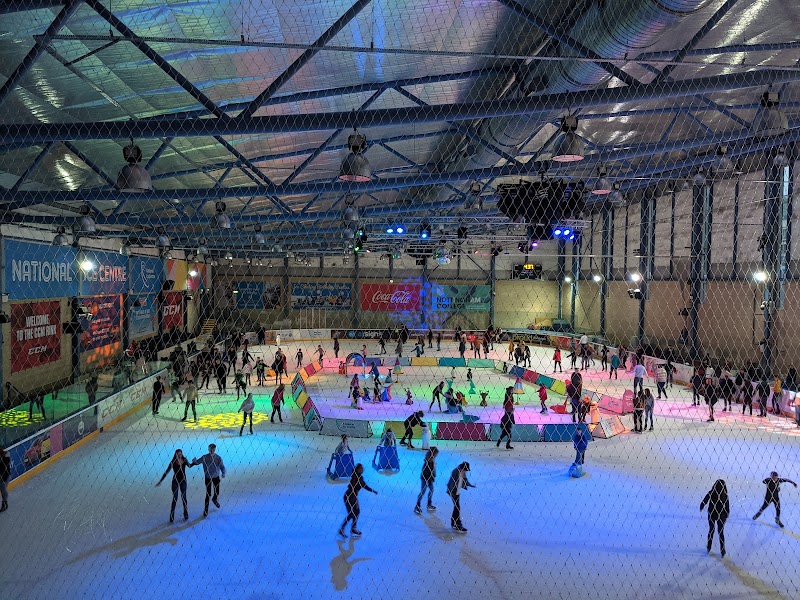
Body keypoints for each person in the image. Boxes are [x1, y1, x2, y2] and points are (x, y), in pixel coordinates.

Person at [338, 464, 378, 538]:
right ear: (358, 469)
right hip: (349, 496)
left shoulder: (360, 478)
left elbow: (364, 486)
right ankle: (342, 529)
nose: (363, 469)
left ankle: (353, 528)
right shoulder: (355, 477)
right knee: (352, 513)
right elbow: (353, 489)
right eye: (361, 468)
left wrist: (373, 491)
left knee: (356, 512)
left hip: (353, 496)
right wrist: (355, 500)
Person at [156, 449, 194, 522]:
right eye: (178, 454)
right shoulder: (173, 462)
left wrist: (194, 462)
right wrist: (161, 480)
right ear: (175, 455)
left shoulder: (184, 460)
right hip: (175, 481)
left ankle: (185, 513)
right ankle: (172, 515)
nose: (179, 456)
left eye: (180, 454)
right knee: (175, 498)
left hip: (183, 481)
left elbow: (189, 465)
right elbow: (166, 472)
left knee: (184, 497)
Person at [192, 444, 226, 517]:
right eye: (211, 450)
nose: (212, 451)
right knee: (208, 494)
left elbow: (222, 466)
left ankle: (214, 499)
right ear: (208, 449)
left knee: (217, 492)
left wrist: (223, 473)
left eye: (213, 450)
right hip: (208, 477)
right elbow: (198, 462)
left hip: (216, 477)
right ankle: (206, 510)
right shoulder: (204, 457)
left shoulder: (218, 458)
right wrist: (194, 461)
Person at [701, 479, 730, 557]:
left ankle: (709, 547)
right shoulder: (725, 495)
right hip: (721, 515)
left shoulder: (711, 493)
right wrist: (726, 514)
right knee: (720, 532)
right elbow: (727, 507)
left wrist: (702, 505)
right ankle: (722, 550)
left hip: (712, 514)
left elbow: (705, 500)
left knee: (711, 530)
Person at [447, 462, 475, 534]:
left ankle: (453, 522)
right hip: (453, 492)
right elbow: (451, 482)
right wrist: (451, 492)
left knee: (456, 507)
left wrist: (470, 485)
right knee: (457, 507)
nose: (466, 471)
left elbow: (465, 480)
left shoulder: (462, 472)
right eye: (465, 470)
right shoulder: (456, 471)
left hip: (457, 492)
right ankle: (457, 524)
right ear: (462, 468)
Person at [414, 447, 439, 515]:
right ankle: (417, 506)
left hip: (430, 478)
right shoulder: (428, 461)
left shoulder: (432, 460)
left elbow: (433, 470)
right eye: (436, 454)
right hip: (425, 478)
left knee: (431, 490)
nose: (437, 455)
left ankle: (429, 504)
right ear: (433, 453)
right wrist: (429, 479)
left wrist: (433, 476)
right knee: (423, 491)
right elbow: (425, 471)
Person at [0, 444, 9, 513]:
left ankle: (5, 503)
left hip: (4, 477)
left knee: (3, 490)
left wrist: (4, 479)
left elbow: (6, 470)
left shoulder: (5, 457)